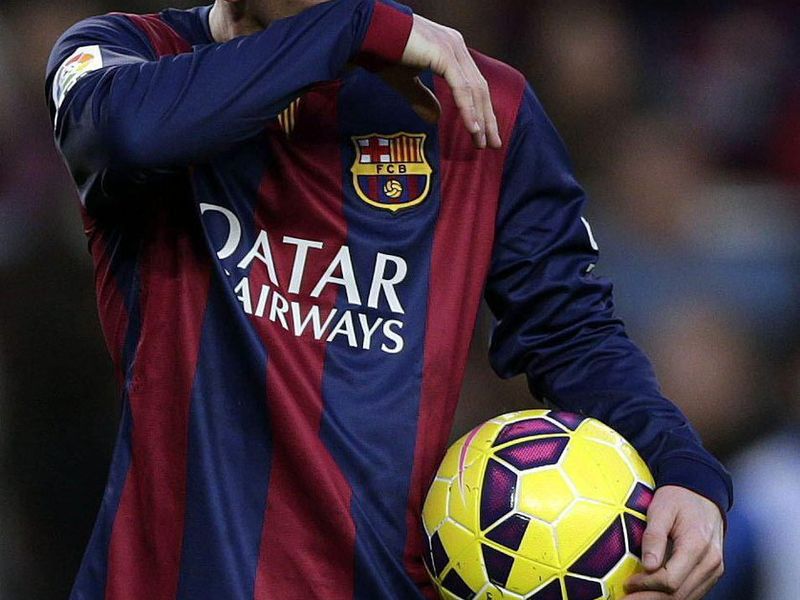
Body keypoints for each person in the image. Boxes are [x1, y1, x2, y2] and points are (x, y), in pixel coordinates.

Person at [46, 1, 730, 598]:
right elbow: (120, 135)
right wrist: (352, 27)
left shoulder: (484, 105)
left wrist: (684, 468)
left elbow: (573, 335)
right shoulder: (128, 57)